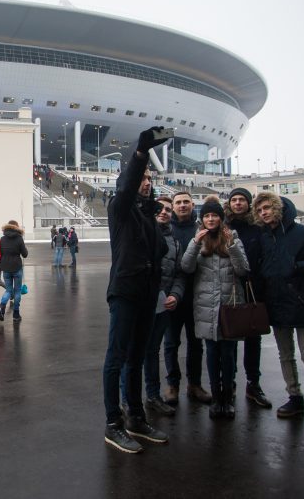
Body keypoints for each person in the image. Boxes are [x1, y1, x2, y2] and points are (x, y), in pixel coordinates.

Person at [102, 126, 170, 454]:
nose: (146, 182)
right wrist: (141, 154)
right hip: (125, 292)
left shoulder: (148, 218)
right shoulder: (120, 208)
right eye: (141, 178)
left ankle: (136, 417)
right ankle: (113, 423)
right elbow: (128, 189)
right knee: (116, 357)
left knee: (136, 358)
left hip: (147, 295)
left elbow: (159, 255)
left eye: (149, 179)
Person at [253, 193, 304, 429]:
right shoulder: (264, 237)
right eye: (259, 210)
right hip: (277, 305)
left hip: (302, 304)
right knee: (285, 355)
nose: (263, 213)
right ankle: (294, 397)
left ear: (278, 208)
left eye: (267, 208)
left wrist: (298, 267)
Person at [181, 197, 249, 419]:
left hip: (229, 306)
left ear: (221, 218)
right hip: (206, 306)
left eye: (214, 215)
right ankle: (216, 396)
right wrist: (193, 243)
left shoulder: (233, 238)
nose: (211, 219)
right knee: (211, 354)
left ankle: (227, 397)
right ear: (203, 219)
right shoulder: (198, 241)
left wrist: (231, 246)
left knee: (228, 354)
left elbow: (243, 270)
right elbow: (186, 267)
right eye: (207, 216)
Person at [224, 187, 272, 408]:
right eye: (234, 200)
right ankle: (229, 383)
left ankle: (253, 383)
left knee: (254, 338)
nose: (238, 203)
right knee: (231, 336)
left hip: (254, 288)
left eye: (242, 199)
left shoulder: (258, 228)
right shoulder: (223, 226)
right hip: (230, 288)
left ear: (248, 203)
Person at [163, 191, 212, 406]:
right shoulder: (167, 229)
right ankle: (173, 384)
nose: (182, 206)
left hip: (197, 296)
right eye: (178, 203)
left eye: (186, 202)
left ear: (193, 205)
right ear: (173, 207)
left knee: (196, 344)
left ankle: (194, 384)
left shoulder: (201, 229)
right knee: (171, 343)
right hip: (172, 297)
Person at [142, 195, 185, 417]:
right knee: (131, 353)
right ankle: (128, 400)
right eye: (161, 208)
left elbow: (179, 274)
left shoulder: (175, 243)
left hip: (162, 304)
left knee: (152, 351)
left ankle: (153, 395)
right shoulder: (139, 233)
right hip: (139, 304)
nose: (164, 211)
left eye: (169, 209)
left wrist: (175, 295)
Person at [0, 220, 29, 322]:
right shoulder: (19, 238)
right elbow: (25, 254)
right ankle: (16, 314)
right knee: (17, 291)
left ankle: (2, 306)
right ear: (16, 227)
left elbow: (0, 253)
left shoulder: (2, 239)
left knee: (8, 290)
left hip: (6, 268)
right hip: (17, 267)